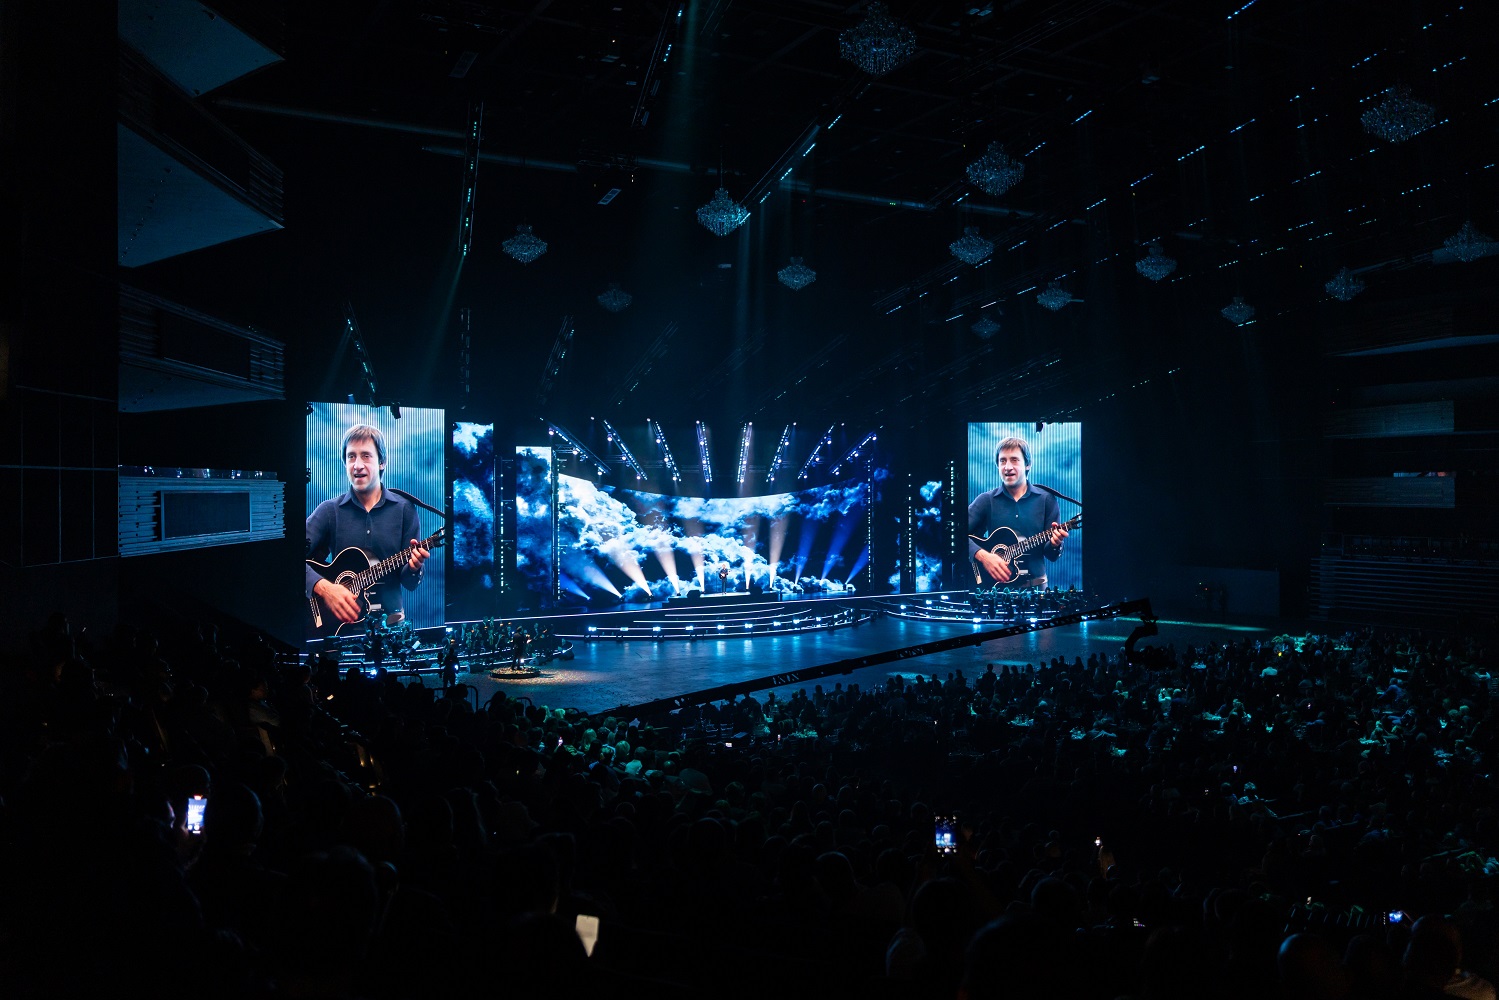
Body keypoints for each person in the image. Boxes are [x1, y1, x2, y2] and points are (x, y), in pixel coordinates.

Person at [306, 424, 430, 627]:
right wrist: (324, 588)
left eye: (366, 456)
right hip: (340, 629)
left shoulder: (405, 510)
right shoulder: (329, 511)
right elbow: (288, 555)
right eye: (351, 457)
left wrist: (415, 568)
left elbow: (409, 583)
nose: (357, 465)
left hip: (391, 628)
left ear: (382, 462)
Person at [967, 436, 1069, 589]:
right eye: (1003, 461)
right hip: (996, 592)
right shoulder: (986, 500)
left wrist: (1055, 544)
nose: (1007, 467)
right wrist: (983, 556)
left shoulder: (1046, 499)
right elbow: (956, 534)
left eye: (1014, 460)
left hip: (1036, 589)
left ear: (1028, 464)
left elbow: (1051, 555)